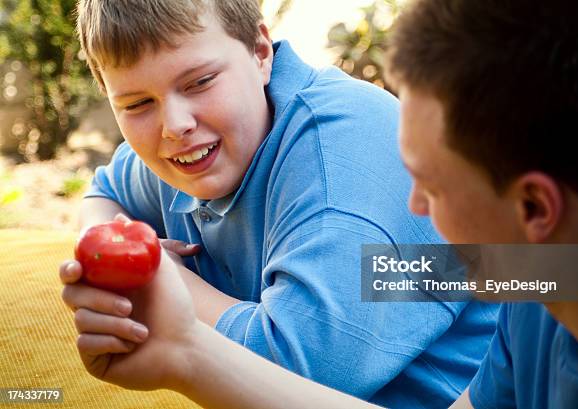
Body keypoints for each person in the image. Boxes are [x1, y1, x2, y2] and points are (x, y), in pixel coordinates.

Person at [59, 0, 498, 408]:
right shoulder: (189, 151)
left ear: (260, 53)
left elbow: (301, 373)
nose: (174, 126)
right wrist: (106, 248)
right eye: (137, 104)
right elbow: (106, 193)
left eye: (200, 82)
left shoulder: (338, 168)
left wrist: (164, 281)